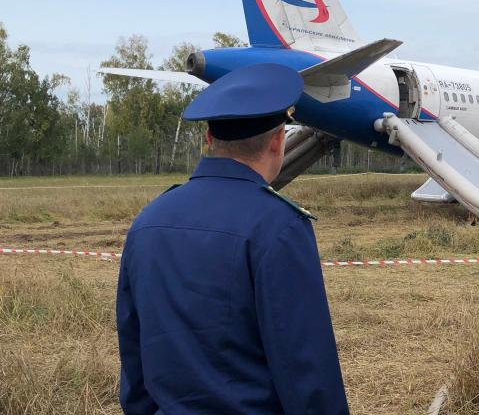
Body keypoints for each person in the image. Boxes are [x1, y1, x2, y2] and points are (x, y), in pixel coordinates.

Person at [116, 63, 348, 414]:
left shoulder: (149, 221)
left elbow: (133, 350)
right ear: (277, 141)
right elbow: (307, 370)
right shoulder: (279, 227)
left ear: (209, 139)